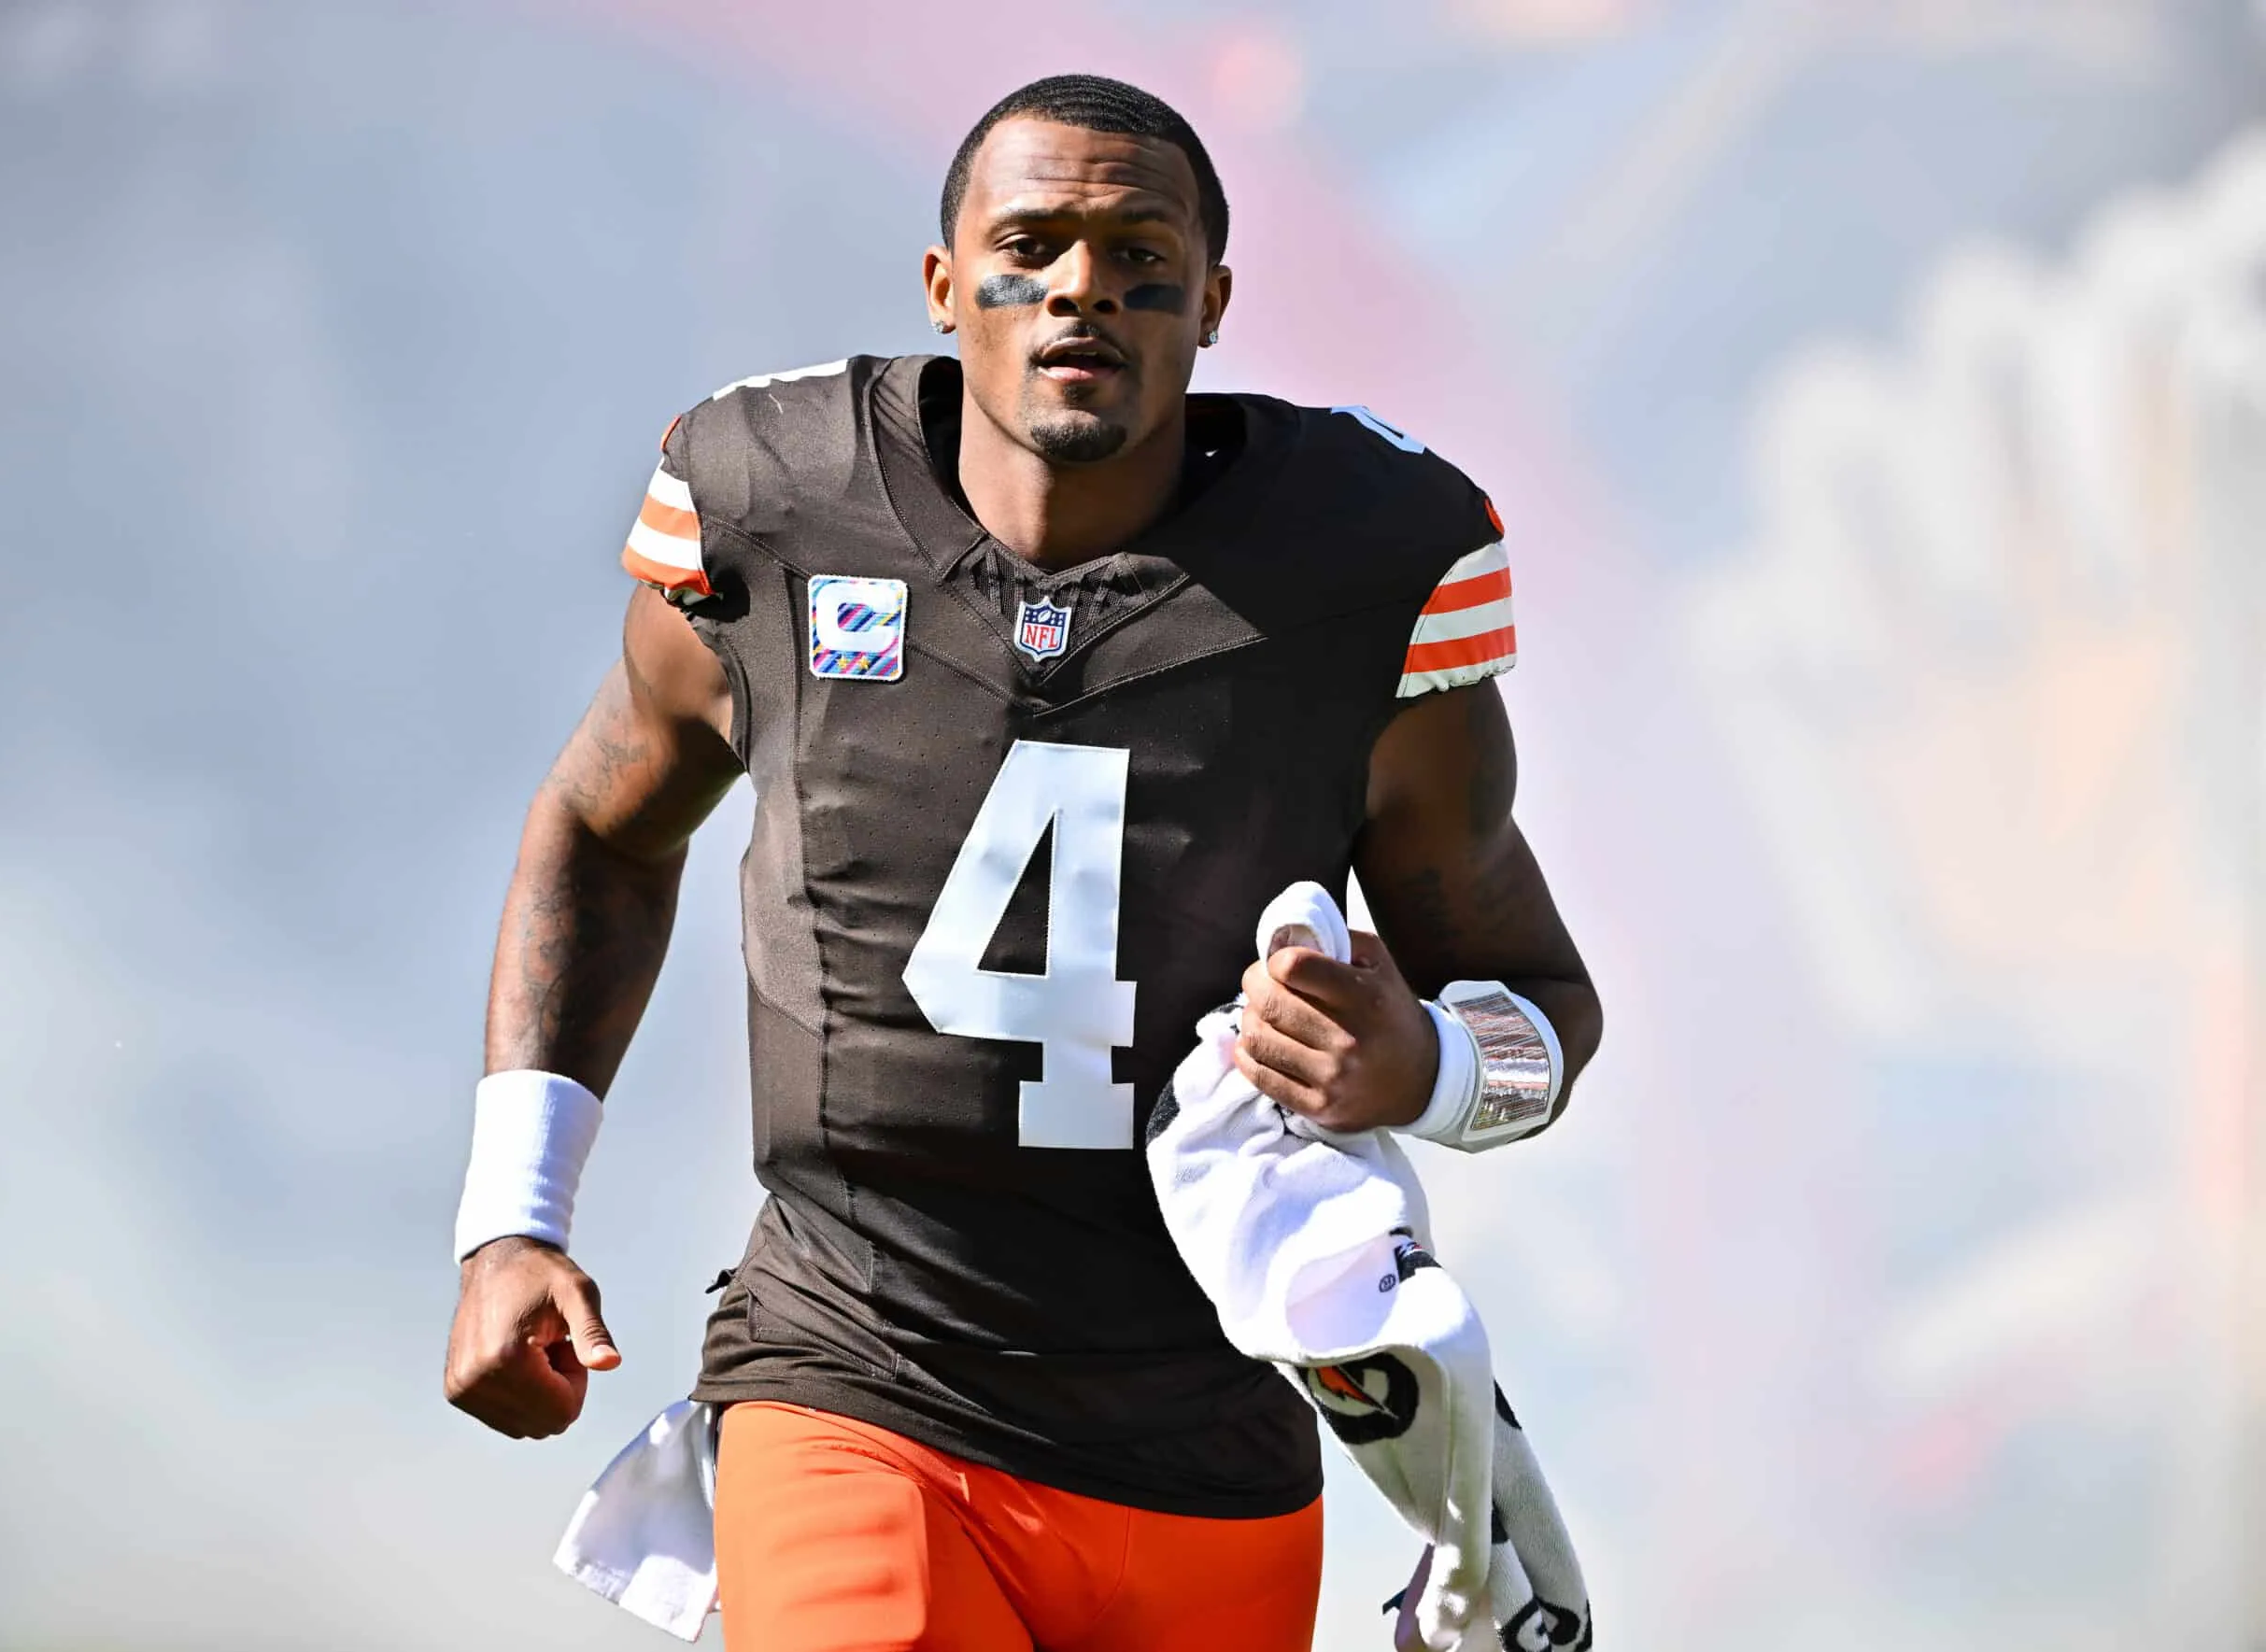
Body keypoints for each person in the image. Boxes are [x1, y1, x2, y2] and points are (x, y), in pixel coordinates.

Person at [442, 73, 1602, 1652]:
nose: (1081, 289)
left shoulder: (1366, 562)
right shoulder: (776, 505)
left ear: (1213, 300)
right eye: (1031, 245)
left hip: (1204, 1451)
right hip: (853, 1368)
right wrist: (516, 1213)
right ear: (943, 286)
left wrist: (1427, 1065)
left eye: (1139, 255)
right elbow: (600, 824)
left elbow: (1542, 1011)